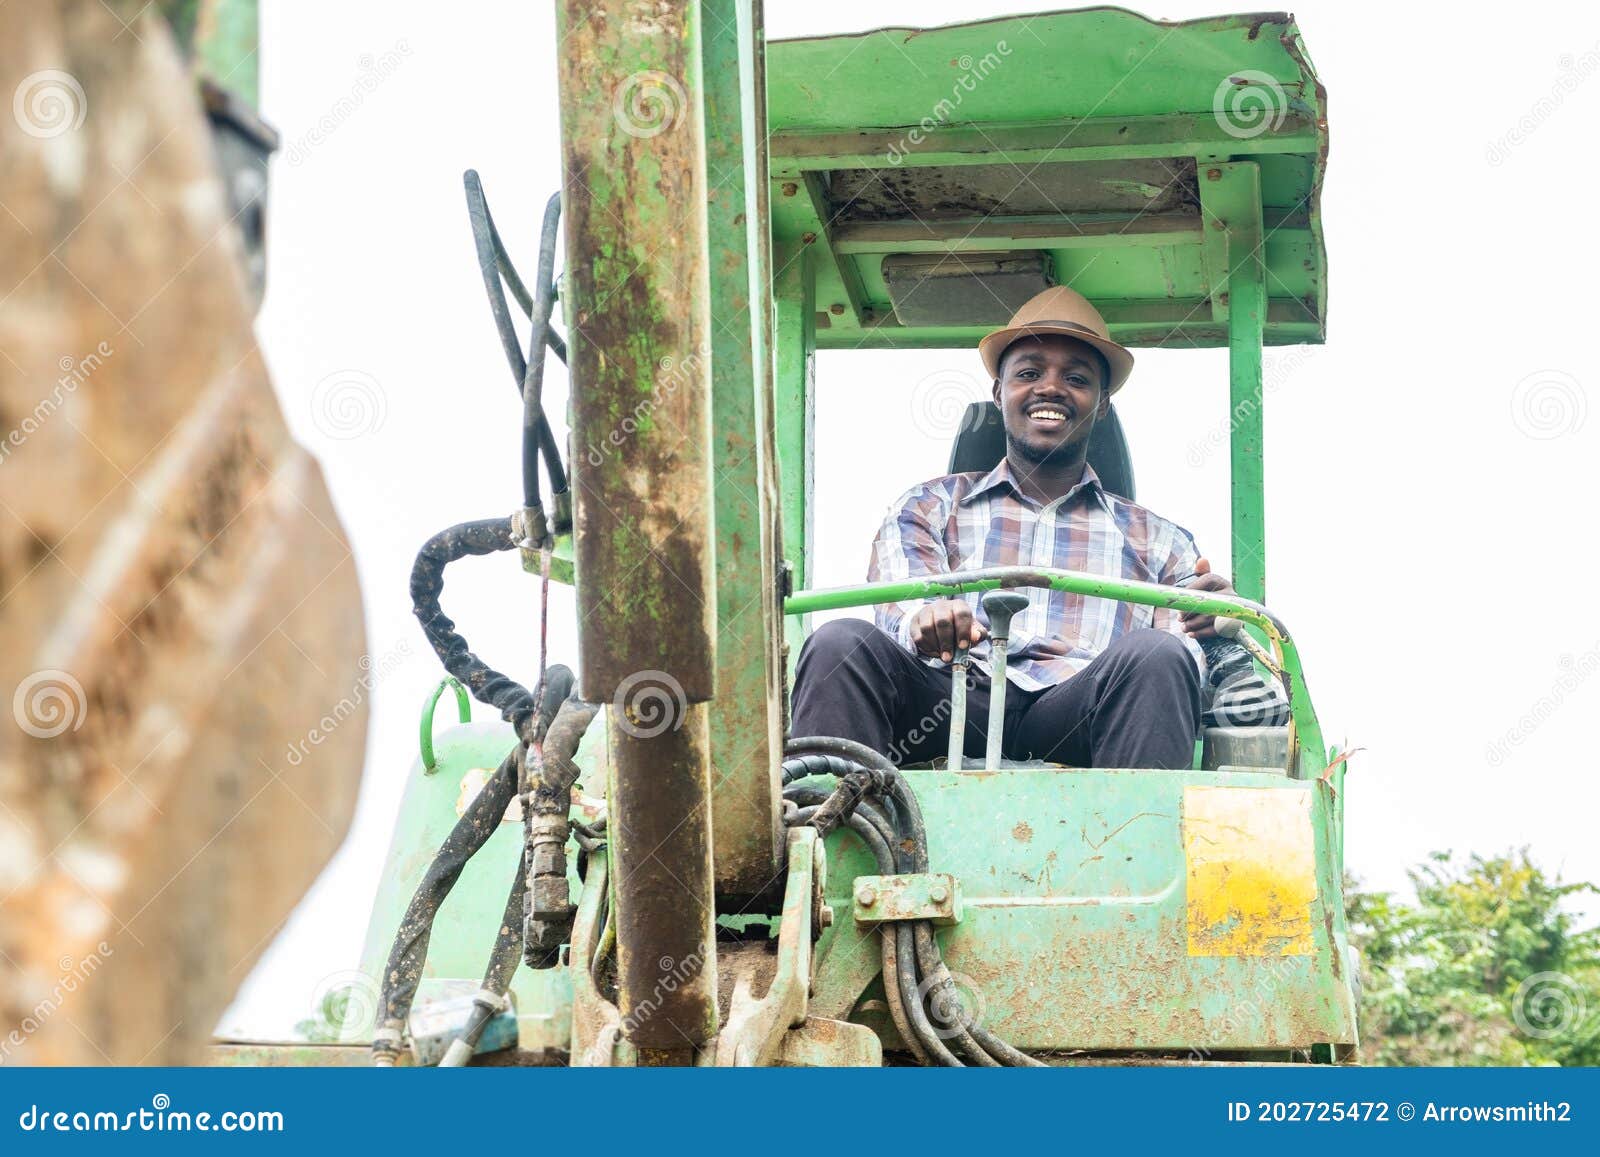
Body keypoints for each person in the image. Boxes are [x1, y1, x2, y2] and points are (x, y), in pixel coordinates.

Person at [790, 285, 1241, 770]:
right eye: (1028, 373)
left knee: (1158, 654)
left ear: (1102, 404)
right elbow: (903, 608)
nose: (1051, 387)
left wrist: (1212, 629)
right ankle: (829, 829)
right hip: (953, 697)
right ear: (998, 391)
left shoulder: (1161, 540)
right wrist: (928, 619)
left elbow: (1182, 650)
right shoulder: (930, 505)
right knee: (839, 641)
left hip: (1080, 710)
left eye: (1077, 378)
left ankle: (1138, 841)